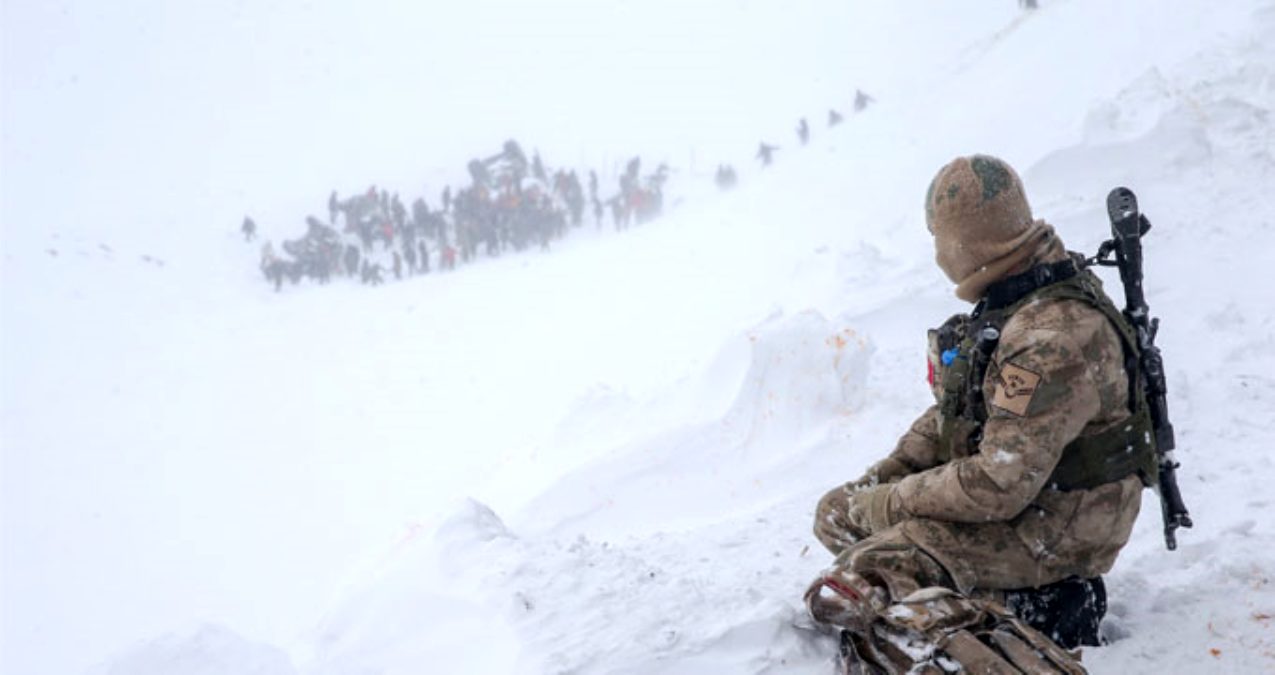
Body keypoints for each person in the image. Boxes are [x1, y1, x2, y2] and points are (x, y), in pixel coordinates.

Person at [805, 155, 1149, 673]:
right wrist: (886, 478)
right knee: (839, 516)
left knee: (862, 578)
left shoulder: (1046, 338)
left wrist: (891, 503)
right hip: (1036, 496)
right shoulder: (1017, 292)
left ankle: (1027, 637)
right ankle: (1002, 603)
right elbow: (959, 412)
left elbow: (998, 482)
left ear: (963, 244)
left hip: (1061, 526)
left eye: (939, 239)